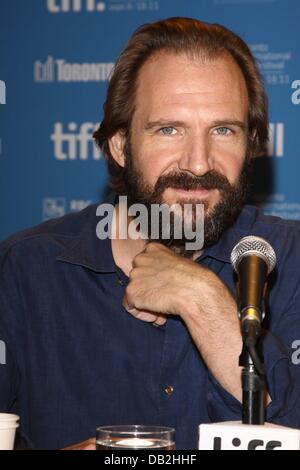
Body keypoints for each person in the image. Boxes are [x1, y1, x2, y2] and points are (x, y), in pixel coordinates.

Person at [1, 17, 300, 451]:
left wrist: (206, 302)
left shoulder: (291, 260)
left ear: (250, 144)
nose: (199, 164)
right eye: (168, 129)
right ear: (120, 146)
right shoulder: (25, 271)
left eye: (223, 130)